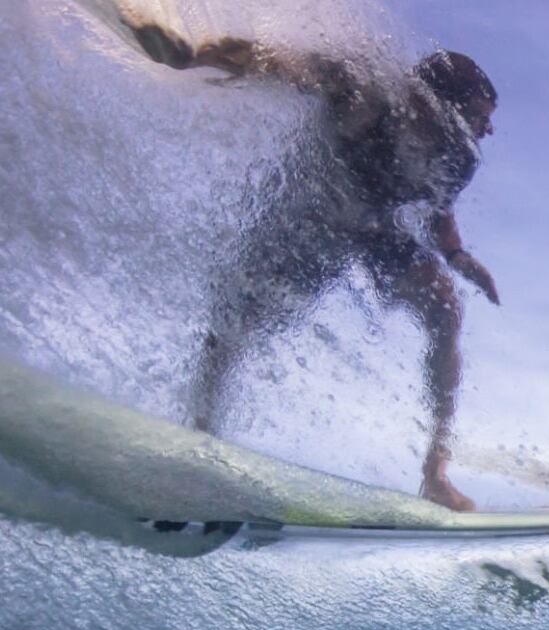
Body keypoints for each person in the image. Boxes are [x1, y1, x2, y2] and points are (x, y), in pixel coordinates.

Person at [124, 17, 501, 511]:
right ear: (442, 104)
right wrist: (193, 56)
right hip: (307, 218)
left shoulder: (459, 155)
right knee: (234, 327)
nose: (488, 129)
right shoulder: (368, 96)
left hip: (376, 232)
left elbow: (438, 207)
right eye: (479, 115)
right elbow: (278, 65)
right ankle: (197, 432)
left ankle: (435, 475)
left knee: (446, 310)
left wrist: (456, 256)